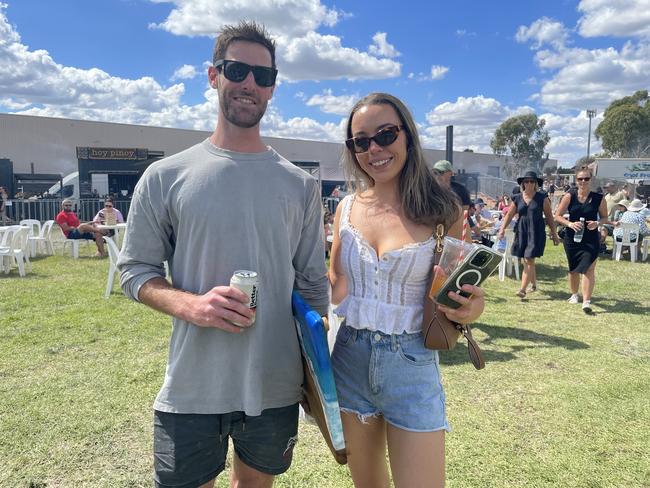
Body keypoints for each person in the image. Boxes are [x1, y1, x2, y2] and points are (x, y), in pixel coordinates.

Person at [117, 21, 329, 488]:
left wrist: (320, 372)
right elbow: (134, 270)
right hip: (193, 384)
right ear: (214, 76)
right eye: (237, 69)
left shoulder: (300, 186)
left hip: (274, 386)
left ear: (273, 89)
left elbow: (313, 284)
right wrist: (191, 305)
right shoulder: (165, 176)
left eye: (263, 76)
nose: (250, 83)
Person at [328, 92, 486, 488]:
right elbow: (335, 284)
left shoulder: (444, 210)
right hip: (348, 358)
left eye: (385, 134)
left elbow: (454, 290)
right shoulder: (345, 209)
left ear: (407, 137)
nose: (374, 149)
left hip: (412, 363)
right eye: (360, 141)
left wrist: (472, 308)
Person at [554, 166, 609, 314]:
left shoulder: (599, 198)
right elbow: (557, 216)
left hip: (591, 238)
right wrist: (570, 224)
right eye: (580, 179)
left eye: (586, 179)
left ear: (591, 180)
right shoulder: (569, 196)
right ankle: (574, 294)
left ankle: (586, 301)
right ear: (576, 180)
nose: (583, 181)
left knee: (589, 269)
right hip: (572, 238)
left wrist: (597, 223)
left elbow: (605, 217)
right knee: (573, 269)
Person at [498, 170, 559, 298]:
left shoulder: (542, 198)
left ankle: (522, 289)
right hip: (521, 231)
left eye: (532, 181)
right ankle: (534, 285)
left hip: (536, 232)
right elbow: (509, 214)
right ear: (523, 183)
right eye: (526, 181)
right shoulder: (517, 198)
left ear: (536, 183)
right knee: (526, 261)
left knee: (529, 259)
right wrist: (502, 229)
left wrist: (554, 233)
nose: (529, 183)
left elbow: (549, 217)